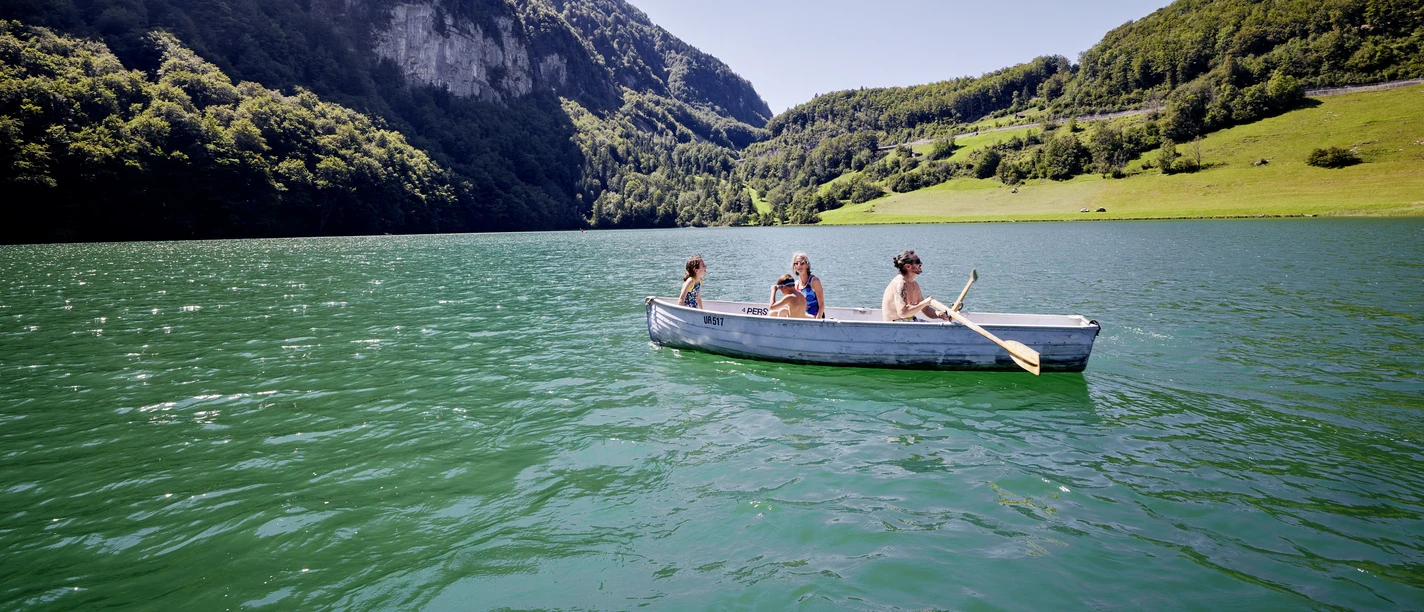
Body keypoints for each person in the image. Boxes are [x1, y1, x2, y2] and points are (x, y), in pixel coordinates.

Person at [882, 250, 950, 322]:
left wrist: (940, 314)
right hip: (895, 325)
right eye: (917, 262)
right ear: (908, 266)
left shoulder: (914, 284)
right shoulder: (900, 284)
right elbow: (902, 313)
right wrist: (925, 302)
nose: (921, 263)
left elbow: (925, 309)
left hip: (909, 321)